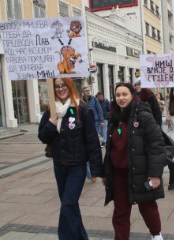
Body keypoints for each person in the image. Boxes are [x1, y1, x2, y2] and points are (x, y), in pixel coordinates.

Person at [38, 78, 104, 240]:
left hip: (77, 166)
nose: (60, 89)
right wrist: (51, 125)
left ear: (70, 86)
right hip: (59, 165)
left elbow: (92, 142)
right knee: (71, 206)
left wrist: (96, 170)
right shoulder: (51, 111)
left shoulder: (82, 109)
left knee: (67, 205)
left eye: (63, 85)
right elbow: (43, 137)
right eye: (57, 87)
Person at [103, 82, 166, 240]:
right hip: (118, 174)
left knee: (147, 207)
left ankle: (156, 235)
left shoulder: (143, 115)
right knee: (120, 212)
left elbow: (157, 145)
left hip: (141, 172)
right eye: (118, 95)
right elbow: (110, 148)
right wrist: (106, 172)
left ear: (132, 95)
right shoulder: (113, 117)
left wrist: (155, 174)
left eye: (125, 94)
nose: (121, 98)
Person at [82, 86, 104, 183]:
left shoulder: (94, 99)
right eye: (86, 91)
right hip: (84, 124)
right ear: (83, 92)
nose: (88, 92)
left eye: (89, 90)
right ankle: (90, 174)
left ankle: (93, 173)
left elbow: (99, 110)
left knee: (93, 144)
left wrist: (101, 120)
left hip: (95, 123)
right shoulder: (80, 100)